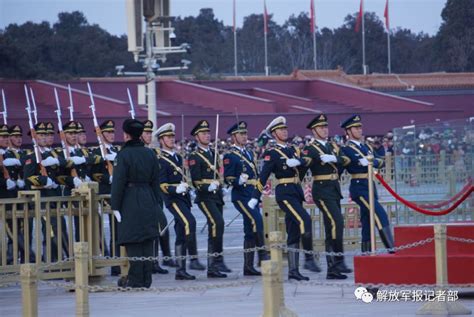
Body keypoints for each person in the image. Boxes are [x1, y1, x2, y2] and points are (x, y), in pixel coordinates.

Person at [248, 116, 321, 281]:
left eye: (285, 129)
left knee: (294, 232)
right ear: (274, 133)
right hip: (285, 193)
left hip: (296, 191)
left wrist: (299, 162)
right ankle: (309, 259)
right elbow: (263, 176)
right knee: (305, 220)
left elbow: (304, 165)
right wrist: (255, 196)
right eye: (281, 130)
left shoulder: (293, 150)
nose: (285, 131)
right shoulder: (271, 153)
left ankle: (293, 271)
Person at [111, 119, 162, 288]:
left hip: (130, 198)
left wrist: (115, 206)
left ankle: (135, 279)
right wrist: (157, 203)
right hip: (148, 196)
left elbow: (118, 182)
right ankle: (146, 279)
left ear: (126, 135)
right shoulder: (150, 153)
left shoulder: (124, 154)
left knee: (133, 240)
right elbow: (156, 180)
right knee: (147, 239)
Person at [301, 114, 351, 280]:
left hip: (334, 189)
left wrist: (334, 159)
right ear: (314, 130)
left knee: (332, 227)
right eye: (321, 127)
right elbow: (304, 163)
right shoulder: (311, 148)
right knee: (337, 221)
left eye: (326, 126)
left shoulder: (333, 146)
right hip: (321, 191)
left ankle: (333, 268)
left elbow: (345, 159)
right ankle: (338, 259)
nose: (325, 129)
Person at [156, 122, 206, 280]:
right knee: (189, 223)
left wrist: (187, 188)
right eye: (168, 137)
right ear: (161, 140)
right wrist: (175, 189)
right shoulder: (161, 159)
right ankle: (191, 258)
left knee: (180, 233)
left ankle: (180, 270)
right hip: (173, 199)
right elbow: (162, 184)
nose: (171, 139)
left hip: (183, 198)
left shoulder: (177, 156)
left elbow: (183, 177)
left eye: (172, 136)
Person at [340, 115, 394, 252]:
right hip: (359, 187)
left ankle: (366, 252)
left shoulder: (366, 147)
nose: (359, 130)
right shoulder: (346, 149)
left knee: (367, 220)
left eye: (360, 127)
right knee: (379, 213)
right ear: (348, 131)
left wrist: (371, 162)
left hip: (370, 185)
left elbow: (380, 162)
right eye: (356, 128)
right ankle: (392, 248)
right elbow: (342, 164)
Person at [223, 121, 269, 276]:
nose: (244, 136)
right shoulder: (230, 155)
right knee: (257, 220)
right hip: (240, 196)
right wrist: (238, 180)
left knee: (249, 231)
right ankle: (262, 254)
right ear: (233, 136)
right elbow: (227, 178)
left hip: (252, 195)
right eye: (241, 134)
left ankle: (248, 267)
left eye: (245, 133)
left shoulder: (249, 153)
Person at [188, 120, 229, 278]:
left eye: (208, 133)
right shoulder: (194, 156)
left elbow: (218, 174)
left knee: (218, 227)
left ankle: (216, 262)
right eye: (203, 133)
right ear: (197, 137)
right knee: (217, 223)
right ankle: (214, 264)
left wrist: (221, 185)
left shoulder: (214, 152)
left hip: (216, 195)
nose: (207, 135)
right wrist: (208, 187)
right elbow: (196, 180)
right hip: (205, 196)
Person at [141, 119, 176, 273]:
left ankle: (162, 259)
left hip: (155, 196)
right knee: (151, 229)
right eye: (146, 133)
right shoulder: (139, 152)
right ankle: (152, 262)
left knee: (161, 227)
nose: (149, 136)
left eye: (150, 133)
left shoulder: (155, 153)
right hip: (143, 196)